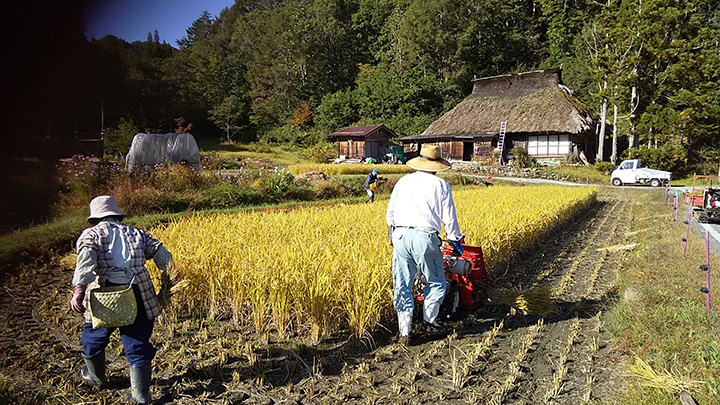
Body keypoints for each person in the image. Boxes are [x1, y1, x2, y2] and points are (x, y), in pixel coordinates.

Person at [69, 195, 173, 404]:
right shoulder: (137, 232)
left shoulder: (91, 235)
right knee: (137, 342)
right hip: (139, 294)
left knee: (94, 339)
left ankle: (97, 378)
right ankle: (141, 396)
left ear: (95, 217)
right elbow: (164, 256)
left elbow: (85, 264)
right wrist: (169, 281)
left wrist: (79, 291)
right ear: (117, 215)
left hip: (105, 296)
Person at [386, 144, 463, 345]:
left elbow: (390, 214)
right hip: (425, 237)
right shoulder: (441, 185)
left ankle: (405, 332)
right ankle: (430, 323)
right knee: (437, 281)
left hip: (400, 235)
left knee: (402, 284)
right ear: (437, 165)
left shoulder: (403, 182)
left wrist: (391, 236)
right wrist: (455, 240)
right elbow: (449, 218)